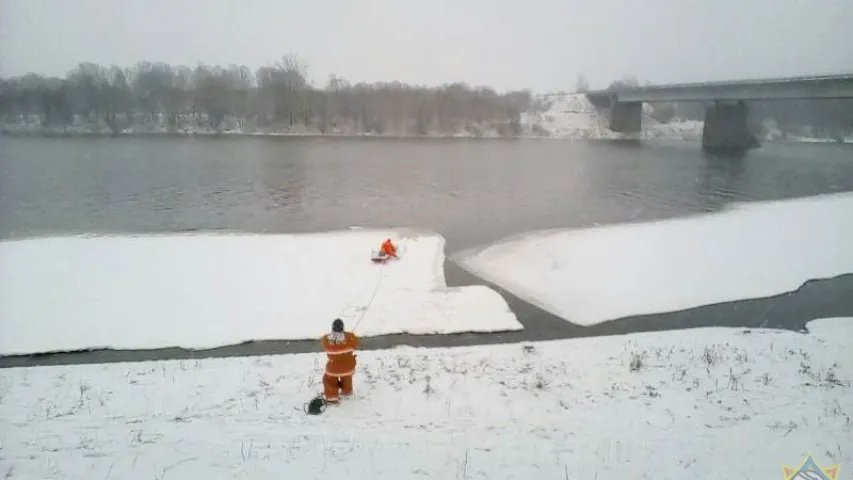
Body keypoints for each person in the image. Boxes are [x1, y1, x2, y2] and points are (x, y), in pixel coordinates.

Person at [320, 318, 360, 403]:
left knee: (328, 378)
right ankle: (347, 391)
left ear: (332, 328)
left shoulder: (326, 339)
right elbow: (356, 343)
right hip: (349, 367)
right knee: (347, 376)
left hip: (334, 369)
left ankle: (332, 397)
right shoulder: (350, 337)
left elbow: (323, 341)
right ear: (342, 328)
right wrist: (347, 338)